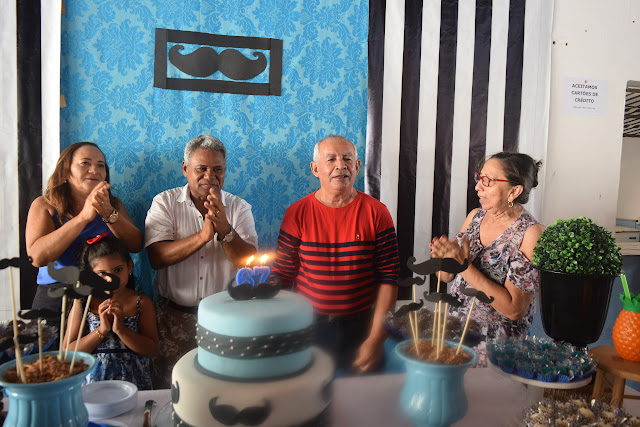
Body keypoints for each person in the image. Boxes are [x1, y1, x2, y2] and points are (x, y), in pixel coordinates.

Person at [271, 135, 400, 374]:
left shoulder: (377, 213)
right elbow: (283, 275)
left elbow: (389, 279)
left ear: (357, 166)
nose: (341, 165)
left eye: (347, 159)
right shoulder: (297, 213)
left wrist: (375, 339)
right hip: (307, 327)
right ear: (315, 168)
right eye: (331, 159)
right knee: (310, 391)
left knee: (362, 393)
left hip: (362, 327)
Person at [145, 134, 258, 388]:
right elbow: (156, 257)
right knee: (174, 388)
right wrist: (202, 237)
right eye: (201, 169)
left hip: (226, 320)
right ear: (185, 168)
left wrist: (225, 230)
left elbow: (248, 263)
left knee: (224, 387)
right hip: (173, 319)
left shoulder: (239, 208)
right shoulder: (164, 203)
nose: (210, 176)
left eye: (218, 169)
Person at [429, 152, 545, 366]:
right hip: (454, 336)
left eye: (488, 181)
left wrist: (464, 267)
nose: (477, 187)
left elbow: (514, 310)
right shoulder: (475, 217)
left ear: (514, 191)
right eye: (479, 178)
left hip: (494, 350)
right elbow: (445, 277)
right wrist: (444, 260)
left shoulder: (531, 234)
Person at [26, 142, 143, 317]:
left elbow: (135, 245)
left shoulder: (113, 204)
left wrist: (109, 215)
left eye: (100, 165)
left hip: (107, 294)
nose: (94, 170)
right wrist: (83, 218)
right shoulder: (45, 204)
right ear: (65, 171)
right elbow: (37, 258)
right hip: (58, 295)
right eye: (85, 163)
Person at [63, 234, 158, 390]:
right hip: (93, 385)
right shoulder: (84, 303)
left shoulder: (141, 302)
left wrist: (121, 330)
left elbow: (152, 350)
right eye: (101, 273)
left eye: (118, 270)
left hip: (134, 383)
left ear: (129, 267)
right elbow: (67, 353)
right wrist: (102, 330)